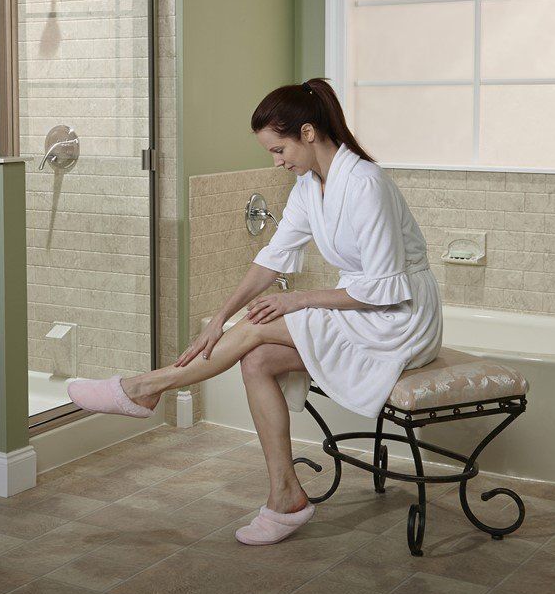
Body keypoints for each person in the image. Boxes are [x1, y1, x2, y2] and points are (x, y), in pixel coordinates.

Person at [68, 77, 442, 546]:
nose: (276, 161)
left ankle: (145, 387)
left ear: (308, 132)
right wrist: (220, 317)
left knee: (262, 327)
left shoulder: (365, 183)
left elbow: (383, 291)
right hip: (363, 308)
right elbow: (273, 257)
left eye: (279, 149)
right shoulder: (311, 186)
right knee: (258, 358)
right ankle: (286, 497)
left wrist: (298, 299)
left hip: (400, 317)